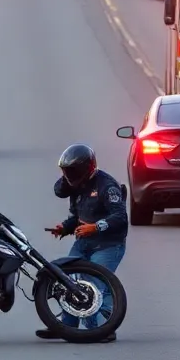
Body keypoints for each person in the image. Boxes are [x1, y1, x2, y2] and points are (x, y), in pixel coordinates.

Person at [39, 143, 127, 342]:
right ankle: (65, 327)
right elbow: (77, 217)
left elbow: (120, 217)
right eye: (66, 171)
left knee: (95, 285)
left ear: (87, 167)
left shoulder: (107, 186)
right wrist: (65, 227)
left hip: (108, 245)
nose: (68, 175)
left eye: (73, 171)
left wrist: (95, 227)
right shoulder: (75, 187)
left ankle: (104, 328)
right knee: (67, 280)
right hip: (83, 242)